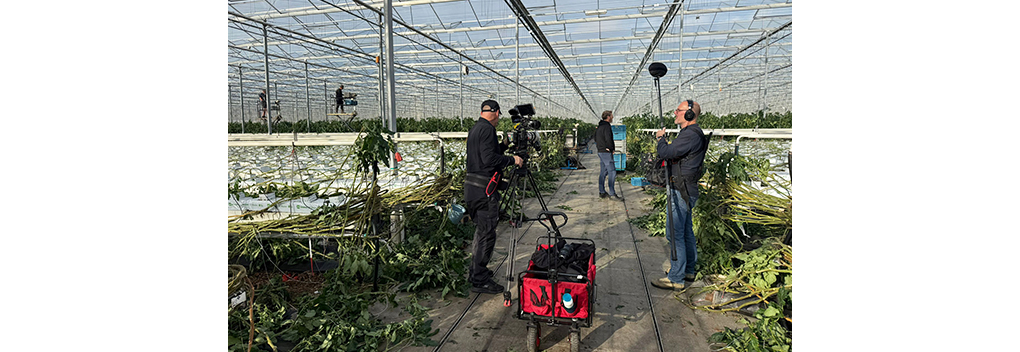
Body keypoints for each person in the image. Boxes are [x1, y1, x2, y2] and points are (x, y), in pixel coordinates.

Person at [464, 99, 524, 294]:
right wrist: (512, 159)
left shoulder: (475, 129)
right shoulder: (488, 129)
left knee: (481, 232)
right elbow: (489, 159)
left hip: (472, 188)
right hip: (485, 190)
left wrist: (504, 145)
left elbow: (484, 155)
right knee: (487, 233)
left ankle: (476, 272)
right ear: (497, 113)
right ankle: (480, 280)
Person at [651, 100, 708, 291]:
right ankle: (688, 270)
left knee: (675, 234)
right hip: (687, 189)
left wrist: (661, 139)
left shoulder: (690, 135)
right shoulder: (691, 134)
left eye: (679, 110)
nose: (675, 112)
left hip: (681, 190)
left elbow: (667, 152)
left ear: (690, 114)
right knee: (686, 231)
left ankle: (676, 277)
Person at [595, 110, 620, 200]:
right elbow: (608, 138)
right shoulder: (606, 126)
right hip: (606, 152)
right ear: (608, 117)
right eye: (611, 116)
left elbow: (595, 138)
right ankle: (612, 193)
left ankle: (602, 191)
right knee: (612, 171)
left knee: (603, 172)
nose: (612, 117)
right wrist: (610, 148)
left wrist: (600, 147)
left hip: (601, 151)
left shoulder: (600, 126)